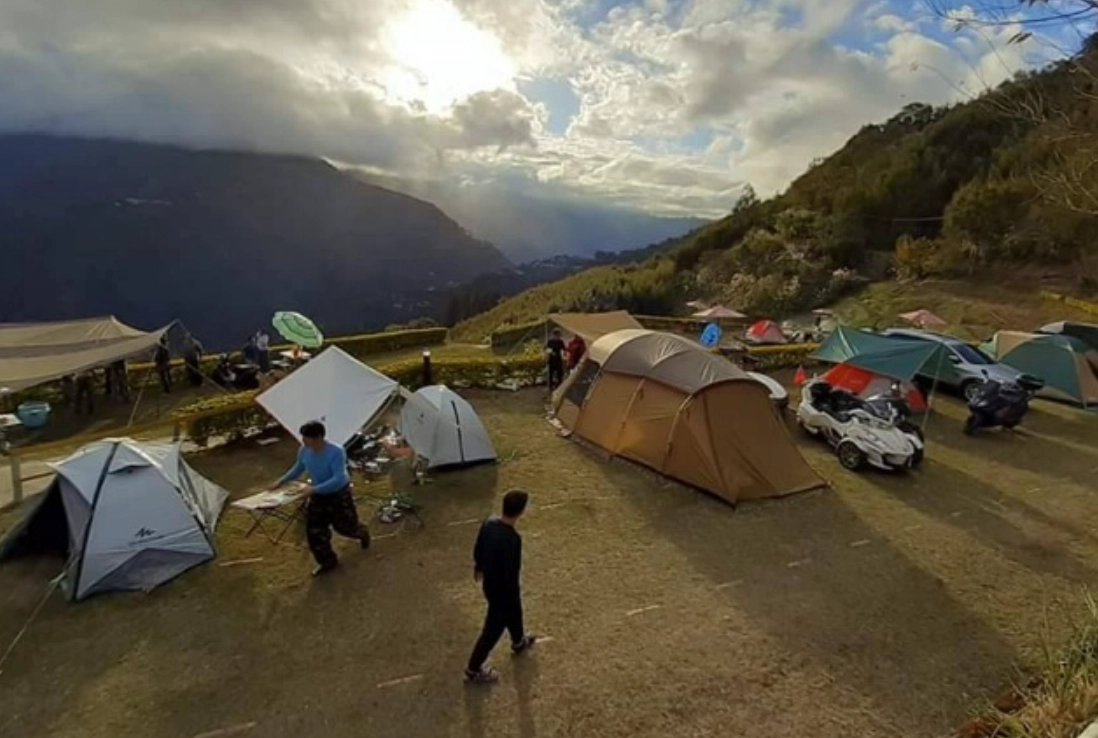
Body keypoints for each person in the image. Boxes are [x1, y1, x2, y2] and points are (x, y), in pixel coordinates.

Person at [274, 420, 371, 575]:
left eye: (307, 438)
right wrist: (281, 481)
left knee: (345, 528)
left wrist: (313, 489)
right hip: (318, 496)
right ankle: (327, 561)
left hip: (338, 495)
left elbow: (338, 478)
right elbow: (299, 467)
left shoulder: (336, 451)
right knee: (315, 532)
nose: (304, 441)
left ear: (318, 437)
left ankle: (362, 533)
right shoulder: (304, 450)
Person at [465, 489, 538, 685]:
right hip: (503, 592)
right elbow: (511, 572)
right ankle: (473, 670)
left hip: (491, 585)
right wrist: (512, 595)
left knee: (515, 612)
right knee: (492, 630)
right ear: (520, 512)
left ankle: (518, 641)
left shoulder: (489, 523)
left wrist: (479, 567)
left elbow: (478, 546)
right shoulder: (513, 540)